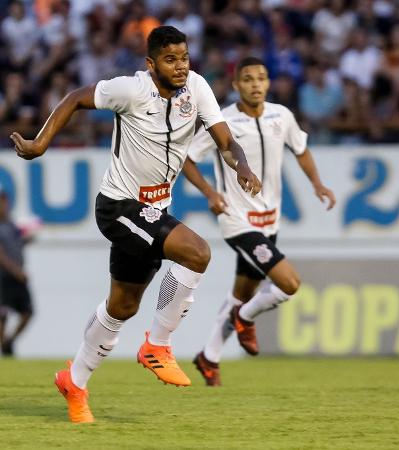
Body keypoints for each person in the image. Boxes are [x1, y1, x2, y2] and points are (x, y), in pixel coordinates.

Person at [10, 26, 261, 423]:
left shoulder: (196, 88)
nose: (180, 67)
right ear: (151, 63)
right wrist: (41, 143)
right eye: (170, 59)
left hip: (153, 211)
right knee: (197, 252)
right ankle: (158, 346)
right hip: (119, 206)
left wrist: (242, 164)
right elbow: (77, 98)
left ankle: (73, 382)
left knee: (122, 307)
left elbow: (225, 140)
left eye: (184, 58)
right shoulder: (130, 89)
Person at [183, 57, 336, 387]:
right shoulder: (221, 121)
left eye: (261, 78)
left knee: (241, 293)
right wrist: (210, 193)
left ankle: (209, 357)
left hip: (270, 221)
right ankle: (245, 318)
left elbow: (301, 149)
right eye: (248, 79)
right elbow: (188, 160)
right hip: (238, 222)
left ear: (268, 83)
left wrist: (317, 183)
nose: (255, 84)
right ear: (236, 85)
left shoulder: (282, 116)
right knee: (289, 284)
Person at [0, 188, 34, 357]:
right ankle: (5, 348)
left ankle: (8, 342)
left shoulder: (12, 224)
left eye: (4, 200)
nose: (3, 204)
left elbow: (16, 245)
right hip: (4, 277)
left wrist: (27, 240)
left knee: (27, 312)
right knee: (3, 314)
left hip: (17, 275)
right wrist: (16, 271)